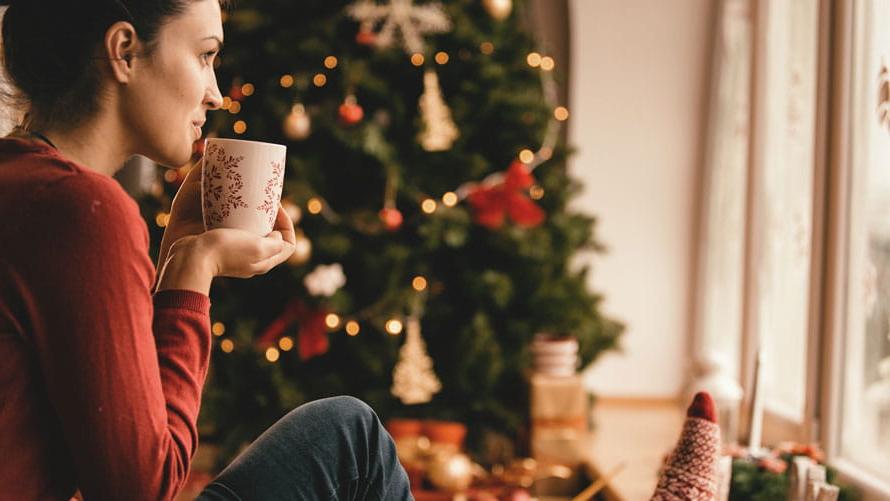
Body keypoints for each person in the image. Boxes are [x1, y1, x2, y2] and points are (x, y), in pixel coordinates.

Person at [0, 0, 412, 499]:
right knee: (353, 437)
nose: (216, 95)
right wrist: (194, 270)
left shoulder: (21, 184)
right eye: (205, 55)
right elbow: (144, 490)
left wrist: (179, 250)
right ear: (124, 51)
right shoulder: (79, 208)